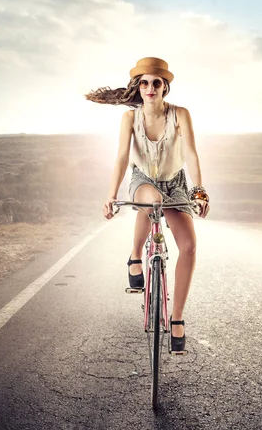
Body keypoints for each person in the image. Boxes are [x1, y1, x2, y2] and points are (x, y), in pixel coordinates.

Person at [85, 57, 210, 352]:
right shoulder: (130, 118)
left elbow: (191, 153)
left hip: (175, 182)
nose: (150, 87)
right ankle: (135, 255)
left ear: (165, 87)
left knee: (189, 246)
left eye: (156, 83)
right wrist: (111, 194)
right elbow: (121, 158)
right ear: (138, 88)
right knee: (152, 201)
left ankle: (176, 317)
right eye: (144, 83)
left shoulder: (180, 114)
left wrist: (199, 190)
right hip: (143, 180)